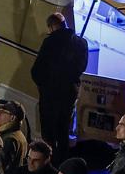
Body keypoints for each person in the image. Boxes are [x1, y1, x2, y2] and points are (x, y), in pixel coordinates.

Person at [31, 12, 89, 151]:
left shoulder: (50, 42)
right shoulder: (81, 42)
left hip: (50, 95)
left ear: (51, 27)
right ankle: (62, 160)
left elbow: (37, 70)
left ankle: (47, 159)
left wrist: (43, 86)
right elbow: (82, 67)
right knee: (63, 130)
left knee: (48, 131)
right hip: (69, 93)